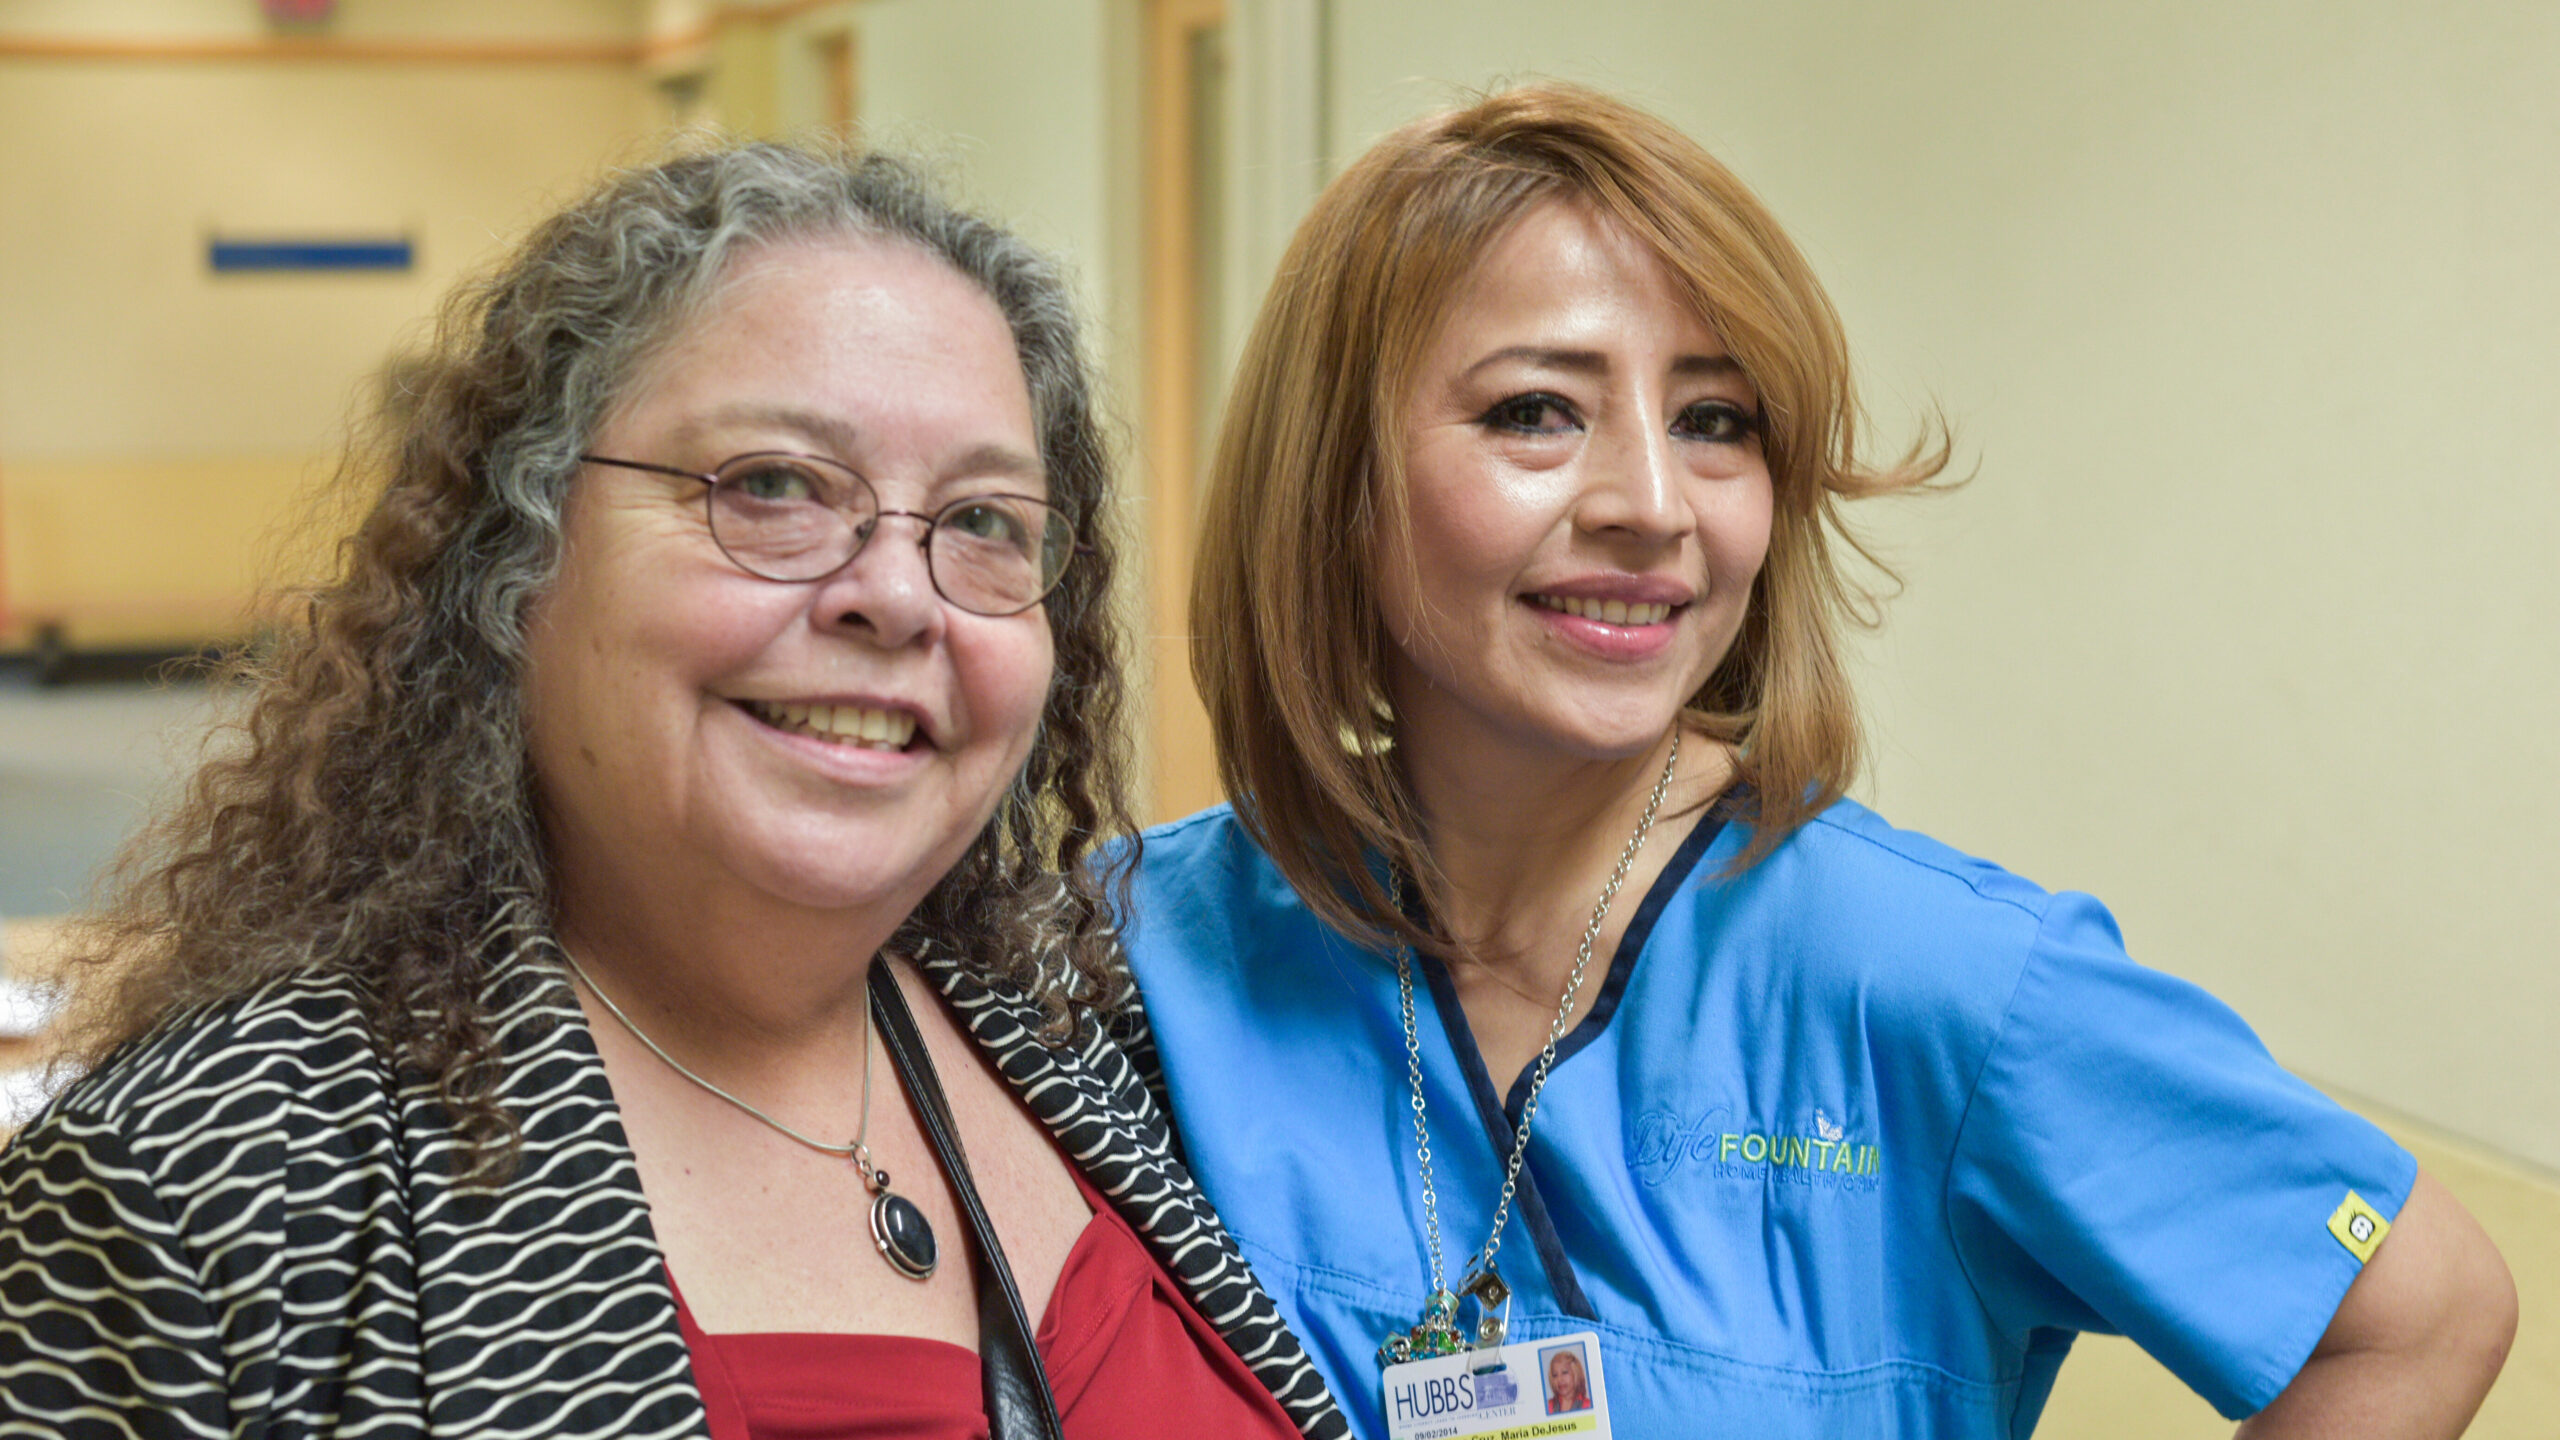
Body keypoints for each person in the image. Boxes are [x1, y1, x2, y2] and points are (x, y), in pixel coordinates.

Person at [1121, 84, 2516, 1437]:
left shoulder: (1937, 984)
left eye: (1715, 422)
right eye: (1537, 411)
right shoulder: (1139, 955)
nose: (1652, 506)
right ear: (1338, 484)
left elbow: (2423, 1309)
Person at [0, 142, 1345, 1440]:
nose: (893, 595)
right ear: (515, 562)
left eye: (985, 521)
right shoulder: (206, 1189)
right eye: (771, 486)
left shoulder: (1076, 1045)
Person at [1543, 1347, 1591, 1415]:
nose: (1559, 1379)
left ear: (1576, 1374)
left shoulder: (1588, 1405)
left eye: (1564, 1373)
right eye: (1555, 1375)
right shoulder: (1548, 1406)